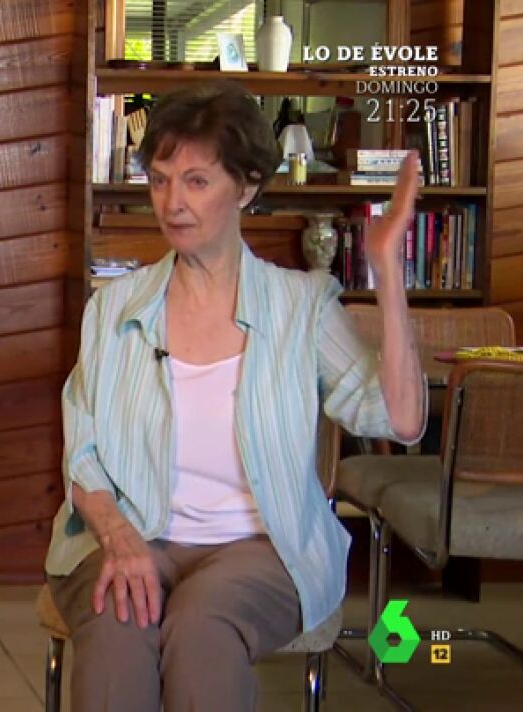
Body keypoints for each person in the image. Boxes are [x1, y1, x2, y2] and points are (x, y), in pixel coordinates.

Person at [43, 80, 428, 711]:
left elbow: (402, 420)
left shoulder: (301, 306)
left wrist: (387, 271)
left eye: (196, 181)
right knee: (117, 623)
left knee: (202, 628)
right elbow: (81, 453)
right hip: (130, 534)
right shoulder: (114, 309)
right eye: (160, 180)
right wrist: (117, 535)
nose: (173, 202)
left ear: (246, 186)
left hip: (262, 549)